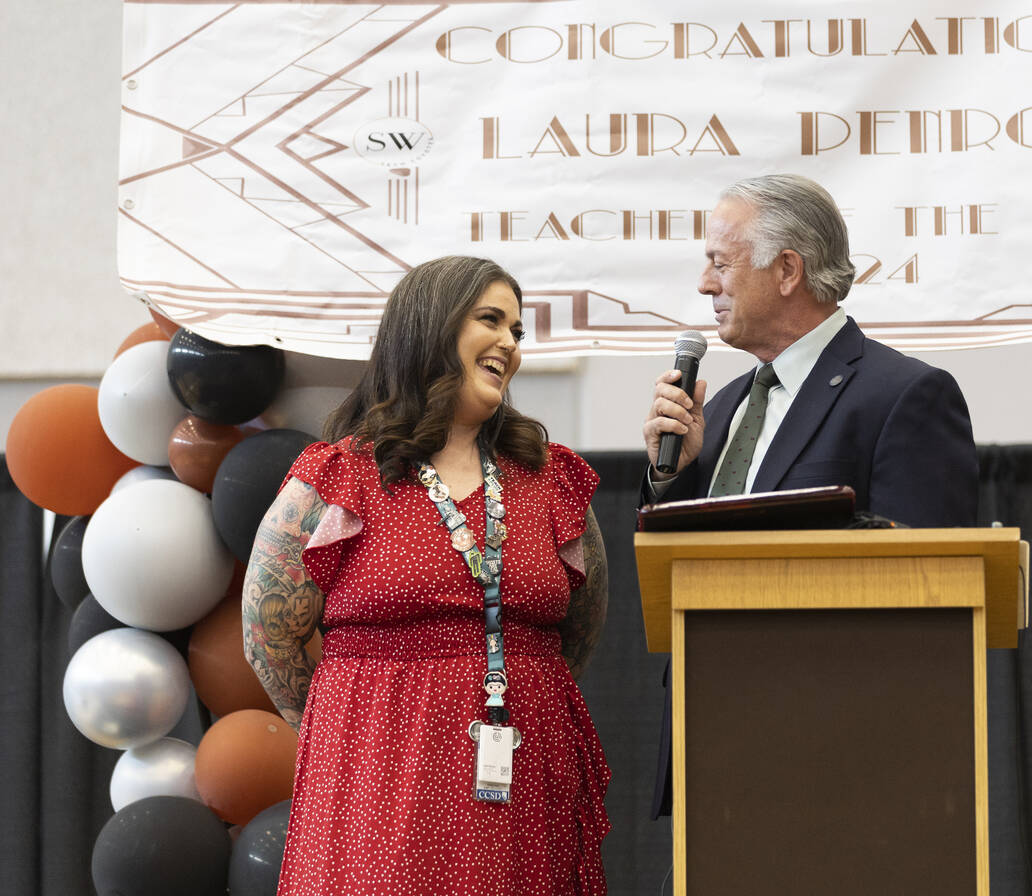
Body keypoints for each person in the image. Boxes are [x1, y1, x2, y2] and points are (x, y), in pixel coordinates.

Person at [243, 256, 611, 895]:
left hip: (525, 782)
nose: (510, 343)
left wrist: (500, 686)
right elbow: (267, 635)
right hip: (374, 775)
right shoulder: (340, 475)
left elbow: (580, 630)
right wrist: (346, 727)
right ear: (430, 327)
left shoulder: (551, 479)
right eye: (490, 320)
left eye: (517, 331)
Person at [641, 174, 979, 815]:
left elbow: (932, 597)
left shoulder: (904, 395)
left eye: (719, 263)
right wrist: (669, 474)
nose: (704, 285)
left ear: (788, 269)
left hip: (840, 762)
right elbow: (674, 572)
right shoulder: (729, 403)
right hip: (707, 741)